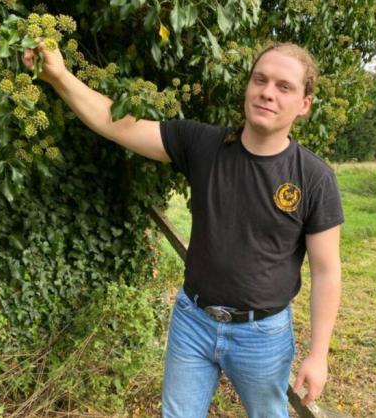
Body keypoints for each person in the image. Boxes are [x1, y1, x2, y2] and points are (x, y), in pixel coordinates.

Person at [22, 41, 343, 418]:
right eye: (260, 80)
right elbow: (118, 124)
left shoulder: (314, 177)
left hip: (262, 336)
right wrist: (59, 76)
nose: (267, 93)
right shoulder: (204, 144)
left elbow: (326, 271)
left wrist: (318, 355)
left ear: (304, 103)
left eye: (284, 86)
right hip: (193, 321)